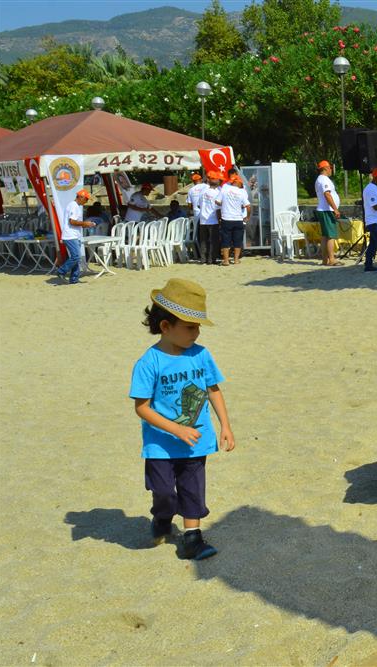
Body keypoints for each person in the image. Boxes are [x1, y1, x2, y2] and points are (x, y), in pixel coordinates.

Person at [130, 278, 235, 560]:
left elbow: (213, 389)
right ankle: (162, 518)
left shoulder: (201, 355)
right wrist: (175, 429)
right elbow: (142, 407)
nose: (197, 333)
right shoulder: (149, 362)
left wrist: (225, 425)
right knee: (164, 493)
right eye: (190, 327)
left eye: (198, 326)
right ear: (166, 327)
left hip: (196, 440)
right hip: (161, 445)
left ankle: (192, 538)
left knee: (192, 489)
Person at [55, 189, 96, 284]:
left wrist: (84, 224)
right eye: (86, 199)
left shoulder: (74, 205)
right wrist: (85, 223)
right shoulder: (74, 206)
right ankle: (61, 271)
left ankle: (74, 279)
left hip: (73, 235)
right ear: (81, 197)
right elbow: (72, 221)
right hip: (70, 235)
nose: (86, 202)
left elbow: (73, 222)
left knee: (76, 258)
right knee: (76, 256)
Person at [314, 160, 343, 267]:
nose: (331, 169)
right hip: (327, 209)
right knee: (330, 235)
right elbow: (327, 194)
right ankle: (331, 259)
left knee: (325, 235)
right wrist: (335, 209)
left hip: (323, 209)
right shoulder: (324, 180)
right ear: (326, 168)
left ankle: (325, 259)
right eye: (330, 168)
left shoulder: (320, 179)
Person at [218, 174, 250, 266]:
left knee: (225, 241)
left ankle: (226, 261)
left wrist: (223, 205)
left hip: (226, 219)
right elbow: (248, 206)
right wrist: (247, 217)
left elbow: (218, 201)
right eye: (241, 183)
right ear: (237, 182)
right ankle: (236, 260)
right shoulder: (241, 192)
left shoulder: (224, 189)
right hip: (238, 219)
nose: (241, 185)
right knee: (237, 240)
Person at [197, 171, 223, 265]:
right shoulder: (216, 193)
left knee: (203, 241)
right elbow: (218, 209)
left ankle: (203, 259)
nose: (219, 181)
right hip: (213, 220)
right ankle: (211, 260)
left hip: (203, 220)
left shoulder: (202, 192)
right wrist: (220, 220)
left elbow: (199, 206)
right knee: (213, 241)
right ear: (214, 180)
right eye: (217, 179)